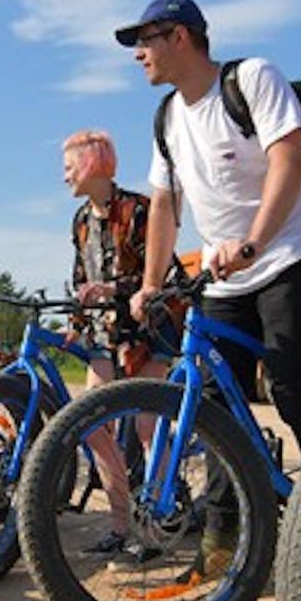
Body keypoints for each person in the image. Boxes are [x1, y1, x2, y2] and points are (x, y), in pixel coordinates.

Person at [117, 0, 301, 577]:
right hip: (225, 276)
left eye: (146, 39)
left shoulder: (252, 78)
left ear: (180, 36)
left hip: (292, 256)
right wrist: (151, 283)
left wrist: (256, 241)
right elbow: (164, 203)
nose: (139, 54)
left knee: (291, 388)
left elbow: (291, 161)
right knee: (214, 405)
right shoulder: (166, 116)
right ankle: (224, 538)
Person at [63, 129, 172, 559]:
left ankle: (155, 530)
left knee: (148, 426)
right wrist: (77, 320)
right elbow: (79, 279)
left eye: (69, 167)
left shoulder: (139, 209)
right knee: (91, 424)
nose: (64, 176)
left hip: (148, 327)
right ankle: (119, 523)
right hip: (104, 332)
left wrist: (113, 289)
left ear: (90, 165)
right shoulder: (80, 222)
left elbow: (160, 274)